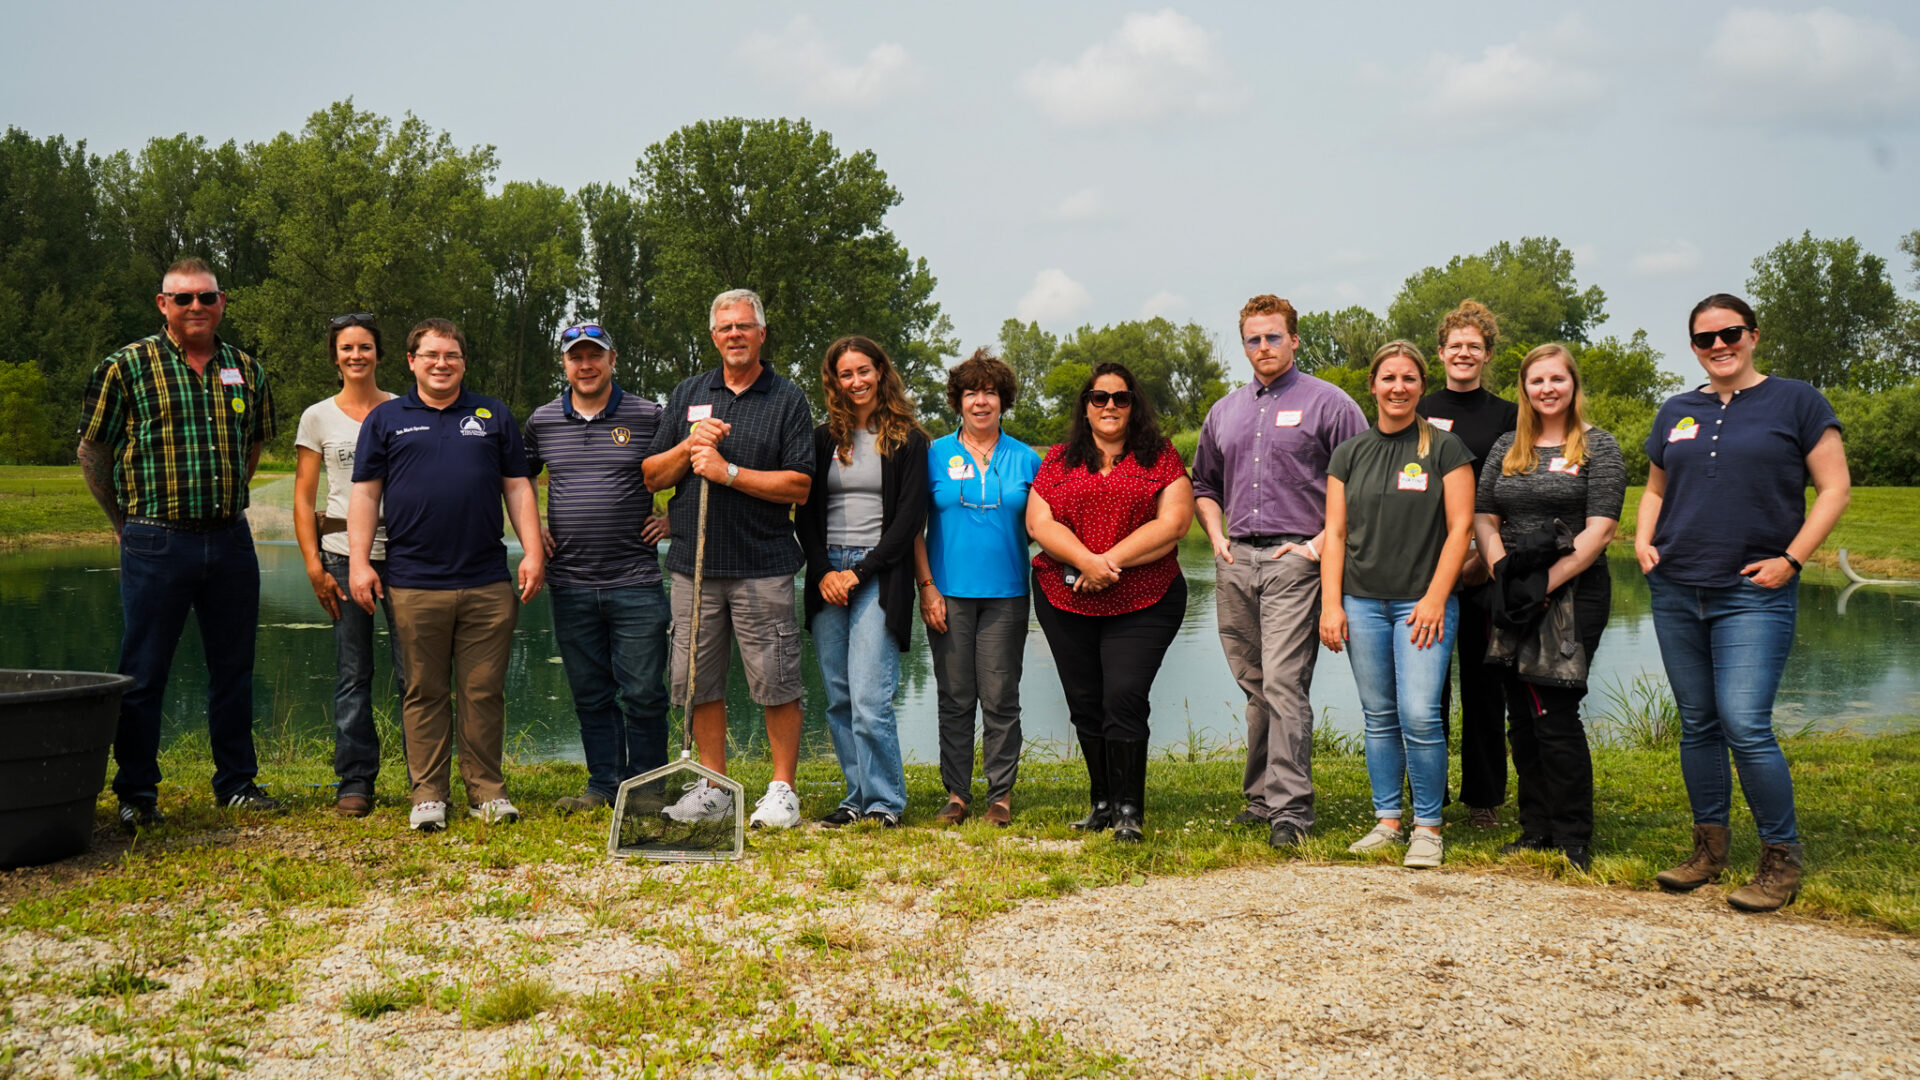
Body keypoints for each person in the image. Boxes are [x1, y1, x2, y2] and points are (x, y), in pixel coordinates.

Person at [1637, 293, 1850, 912]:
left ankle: (1780, 858)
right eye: (1705, 339)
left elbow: (1834, 489)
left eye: (1729, 333)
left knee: (1745, 723)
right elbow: (1654, 488)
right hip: (1677, 586)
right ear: (1695, 348)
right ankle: (1708, 850)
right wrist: (1645, 541)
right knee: (1698, 722)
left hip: (1751, 592)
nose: (1718, 346)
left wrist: (1792, 559)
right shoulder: (1677, 410)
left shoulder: (1798, 401)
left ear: (1753, 335)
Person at [77, 256, 282, 829]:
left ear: (222, 304)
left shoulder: (246, 368)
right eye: (184, 298)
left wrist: (232, 492)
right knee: (144, 671)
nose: (197, 307)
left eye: (207, 297)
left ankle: (237, 782)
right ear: (163, 304)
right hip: (156, 539)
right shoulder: (126, 367)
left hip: (230, 540)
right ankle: (137, 791)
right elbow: (93, 452)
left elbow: (253, 445)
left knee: (234, 667)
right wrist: (124, 523)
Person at [348, 318, 546, 832]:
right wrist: (359, 561)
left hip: (485, 580)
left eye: (452, 355)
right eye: (431, 355)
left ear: (463, 363)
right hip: (412, 582)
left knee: (483, 691)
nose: (442, 363)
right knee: (423, 691)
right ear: (411, 361)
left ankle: (487, 792)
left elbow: (519, 487)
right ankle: (429, 795)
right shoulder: (387, 419)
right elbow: (366, 494)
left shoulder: (492, 414)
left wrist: (531, 551)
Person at [1193, 294, 1367, 849]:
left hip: (1298, 559)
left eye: (1273, 337)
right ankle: (1260, 798)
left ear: (1294, 339)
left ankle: (1291, 811)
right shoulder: (1225, 410)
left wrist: (1316, 548)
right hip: (1237, 558)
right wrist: (1217, 537)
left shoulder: (1331, 405)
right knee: (1254, 684)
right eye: (1252, 338)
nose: (1263, 347)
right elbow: (1203, 484)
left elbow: (1360, 487)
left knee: (1285, 682)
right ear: (1242, 344)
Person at [643, 288, 815, 830]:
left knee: (776, 679)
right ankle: (714, 786)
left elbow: (800, 485)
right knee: (697, 681)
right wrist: (690, 446)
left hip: (762, 566)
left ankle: (782, 790)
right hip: (693, 566)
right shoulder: (690, 393)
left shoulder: (787, 398)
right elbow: (653, 475)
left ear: (761, 334)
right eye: (725, 328)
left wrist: (728, 473)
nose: (734, 335)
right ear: (713, 337)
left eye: (745, 326)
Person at [1320, 342, 1475, 869]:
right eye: (1389, 378)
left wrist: (1435, 597)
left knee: (1419, 714)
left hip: (1421, 603)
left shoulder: (1445, 449)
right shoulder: (1349, 454)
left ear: (1420, 385)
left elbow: (1461, 529)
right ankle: (1388, 820)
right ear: (1373, 384)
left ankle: (1428, 828)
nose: (1398, 387)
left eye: (1409, 378)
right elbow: (1336, 534)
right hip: (1361, 603)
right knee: (1379, 716)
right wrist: (1331, 605)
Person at [1028, 362, 1195, 843]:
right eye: (1099, 398)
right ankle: (1101, 803)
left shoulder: (1159, 457)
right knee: (1084, 702)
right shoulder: (1059, 459)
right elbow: (1040, 524)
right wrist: (1084, 561)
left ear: (1133, 404)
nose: (1109, 407)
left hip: (1146, 598)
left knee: (1123, 696)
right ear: (1086, 405)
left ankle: (1129, 809)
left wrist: (1105, 563)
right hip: (1064, 598)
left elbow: (1175, 523)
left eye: (1120, 398)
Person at [1473, 345, 1625, 871]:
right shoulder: (1506, 448)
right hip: (1512, 588)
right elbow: (1484, 516)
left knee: (1554, 708)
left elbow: (1600, 530)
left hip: (1573, 591)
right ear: (1525, 389)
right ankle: (1534, 827)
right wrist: (1501, 571)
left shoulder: (1599, 448)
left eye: (1557, 379)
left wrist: (1543, 584)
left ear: (1573, 384)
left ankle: (1573, 834)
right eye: (1536, 380)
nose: (1547, 389)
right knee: (1520, 712)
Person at [524, 322, 671, 815]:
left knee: (646, 692)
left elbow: (693, 464)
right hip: (570, 583)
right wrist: (528, 532)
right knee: (591, 693)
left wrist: (674, 518)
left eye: (594, 355)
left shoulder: (650, 415)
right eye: (575, 357)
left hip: (636, 581)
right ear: (564, 364)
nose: (585, 365)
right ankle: (604, 787)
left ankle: (647, 789)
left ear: (613, 360)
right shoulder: (542, 421)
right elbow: (515, 481)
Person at [797, 336, 929, 828]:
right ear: (835, 381)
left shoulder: (909, 439)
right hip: (828, 573)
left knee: (871, 697)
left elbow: (907, 520)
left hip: (880, 573)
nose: (856, 382)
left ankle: (885, 803)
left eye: (863, 371)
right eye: (845, 374)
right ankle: (855, 798)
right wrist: (826, 570)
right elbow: (805, 515)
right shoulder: (820, 438)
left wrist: (859, 571)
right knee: (839, 695)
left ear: (881, 372)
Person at [914, 350, 1043, 828]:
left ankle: (1001, 795)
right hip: (946, 593)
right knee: (955, 695)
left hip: (1007, 593)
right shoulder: (934, 456)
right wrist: (926, 587)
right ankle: (956, 793)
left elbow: (1041, 524)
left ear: (1003, 400)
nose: (981, 401)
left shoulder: (1027, 458)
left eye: (990, 392)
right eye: (972, 393)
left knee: (1001, 695)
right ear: (958, 401)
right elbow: (913, 527)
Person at [293, 313, 403, 818]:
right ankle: (355, 781)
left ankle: (425, 780)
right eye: (346, 348)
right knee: (353, 672)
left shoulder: (405, 409)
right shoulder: (318, 417)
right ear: (334, 356)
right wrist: (314, 564)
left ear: (379, 353)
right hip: (341, 555)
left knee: (415, 674)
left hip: (405, 555)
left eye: (365, 347)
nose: (356, 356)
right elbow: (303, 496)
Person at [1417, 299, 1519, 828]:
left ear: (1486, 355)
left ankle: (1483, 800)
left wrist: (1485, 553)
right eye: (1455, 345)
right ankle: (1427, 793)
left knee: (1484, 686)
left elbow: (1511, 486)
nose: (1463, 353)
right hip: (1425, 566)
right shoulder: (1416, 406)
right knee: (1426, 687)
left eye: (1473, 346)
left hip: (1481, 566)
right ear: (1440, 352)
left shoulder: (1506, 414)